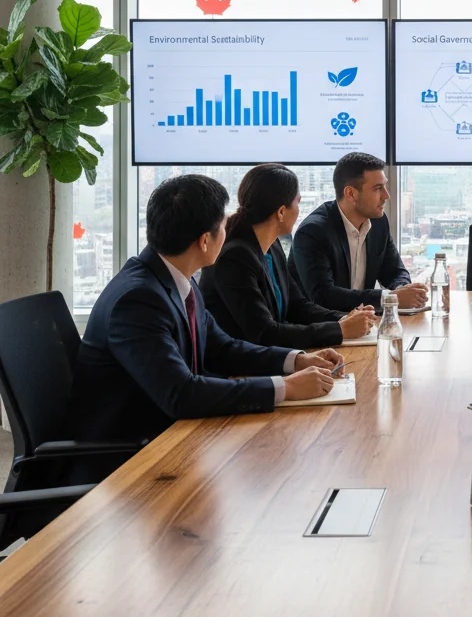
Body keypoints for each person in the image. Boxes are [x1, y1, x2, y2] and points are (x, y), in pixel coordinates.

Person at [66, 174, 341, 462]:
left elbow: (223, 348)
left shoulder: (175, 279)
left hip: (177, 437)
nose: (230, 228)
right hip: (129, 458)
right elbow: (181, 394)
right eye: (223, 225)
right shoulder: (137, 301)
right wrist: (287, 388)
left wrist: (296, 360)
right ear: (204, 241)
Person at [199, 164, 376, 350]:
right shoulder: (236, 257)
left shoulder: (272, 245)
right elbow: (264, 333)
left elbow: (297, 306)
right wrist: (339, 330)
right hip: (240, 368)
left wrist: (345, 318)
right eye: (297, 202)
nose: (299, 210)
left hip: (272, 356)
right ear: (281, 212)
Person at [289, 152, 427, 312]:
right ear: (351, 194)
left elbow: (394, 271)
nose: (386, 196)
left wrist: (403, 289)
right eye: (378, 188)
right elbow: (323, 296)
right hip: (322, 329)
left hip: (363, 325)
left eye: (385, 186)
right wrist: (391, 298)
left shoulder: (378, 222)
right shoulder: (313, 232)